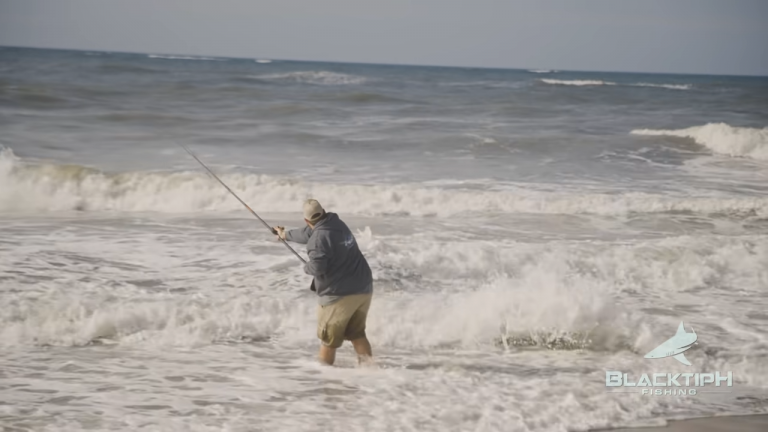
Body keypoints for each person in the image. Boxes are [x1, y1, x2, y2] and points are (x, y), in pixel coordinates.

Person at [273, 199, 374, 366]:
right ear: (324, 212)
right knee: (357, 334)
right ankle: (371, 373)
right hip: (363, 288)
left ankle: (323, 383)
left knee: (328, 341)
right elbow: (309, 233)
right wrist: (285, 235)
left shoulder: (318, 240)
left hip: (339, 295)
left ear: (306, 220)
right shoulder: (337, 223)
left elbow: (317, 268)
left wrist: (307, 267)